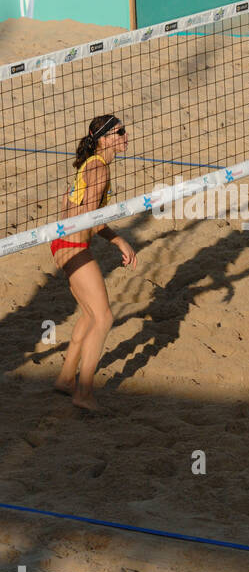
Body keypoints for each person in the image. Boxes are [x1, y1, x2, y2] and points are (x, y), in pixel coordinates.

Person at [51, 115, 138, 411]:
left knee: (89, 315)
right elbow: (89, 217)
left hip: (65, 243)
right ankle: (84, 393)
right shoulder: (99, 168)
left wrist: (116, 239)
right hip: (73, 246)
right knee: (104, 318)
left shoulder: (95, 165)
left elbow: (76, 207)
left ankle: (66, 379)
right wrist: (118, 239)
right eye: (119, 132)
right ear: (102, 139)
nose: (126, 136)